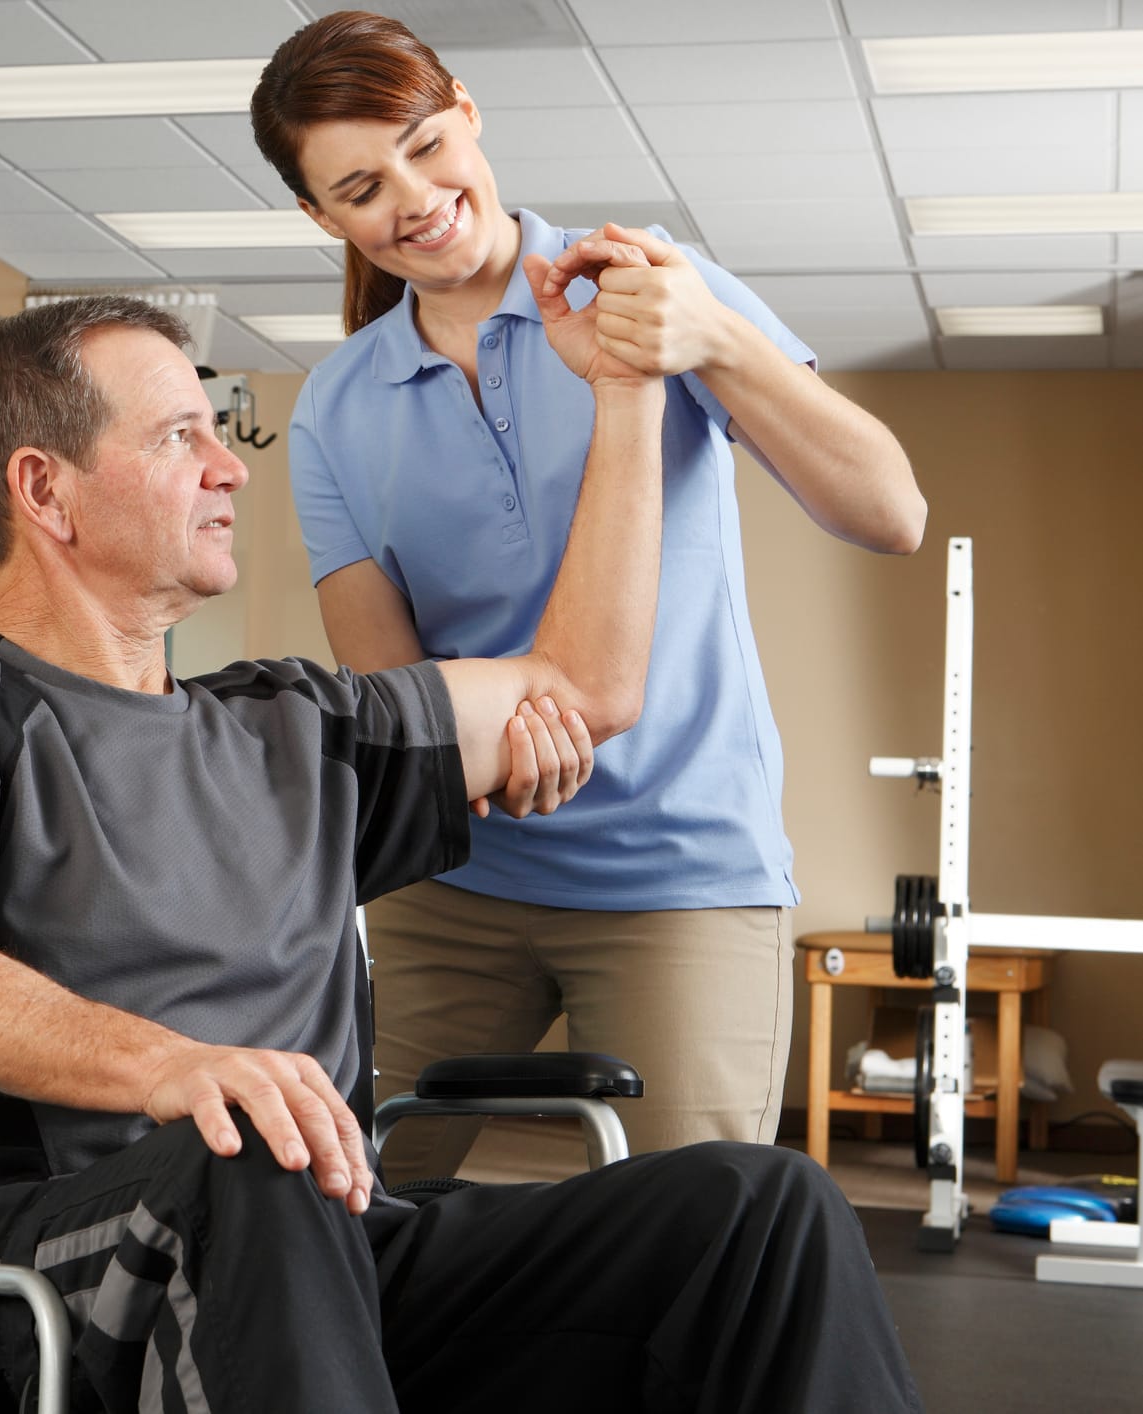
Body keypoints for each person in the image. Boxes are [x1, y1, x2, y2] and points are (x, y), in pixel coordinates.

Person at [0, 292, 921, 1411]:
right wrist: (172, 1067)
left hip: (331, 1240)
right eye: (175, 436)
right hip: (73, 1262)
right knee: (249, 1150)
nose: (229, 468)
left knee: (761, 1210)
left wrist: (627, 390)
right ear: (45, 490)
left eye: (213, 431)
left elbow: (583, 691)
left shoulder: (296, 724)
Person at [249, 10, 928, 1180]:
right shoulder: (336, 407)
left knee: (697, 1240)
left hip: (681, 877)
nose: (413, 196)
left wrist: (713, 336)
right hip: (454, 876)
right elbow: (391, 683)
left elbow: (891, 513)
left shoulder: (653, 286)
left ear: (467, 109)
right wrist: (511, 754)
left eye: (425, 143)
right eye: (362, 187)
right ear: (323, 219)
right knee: (344, 1212)